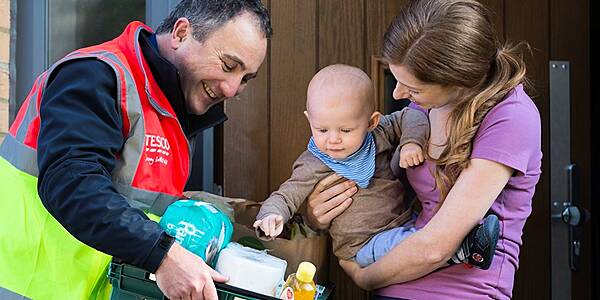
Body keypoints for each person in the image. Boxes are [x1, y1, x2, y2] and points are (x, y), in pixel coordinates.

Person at [0, 1, 271, 299]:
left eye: (245, 79)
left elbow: (135, 207)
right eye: (229, 66)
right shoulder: (95, 76)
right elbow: (71, 184)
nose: (232, 89)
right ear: (181, 34)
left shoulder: (170, 113)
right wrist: (163, 254)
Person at [305, 1, 542, 299]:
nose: (398, 95)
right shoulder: (425, 107)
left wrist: (363, 277)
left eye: (413, 89)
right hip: (395, 276)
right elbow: (374, 183)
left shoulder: (512, 117)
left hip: (461, 292)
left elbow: (435, 248)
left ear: (458, 81)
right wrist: (318, 213)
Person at [253, 64, 499, 270]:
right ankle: (465, 248)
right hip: (363, 245)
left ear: (371, 122)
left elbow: (411, 117)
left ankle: (459, 239)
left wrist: (411, 142)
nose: (333, 139)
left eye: (346, 130)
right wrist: (271, 215)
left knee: (418, 238)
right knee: (415, 245)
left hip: (403, 222)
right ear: (310, 120)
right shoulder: (314, 161)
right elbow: (286, 195)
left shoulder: (380, 133)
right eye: (322, 129)